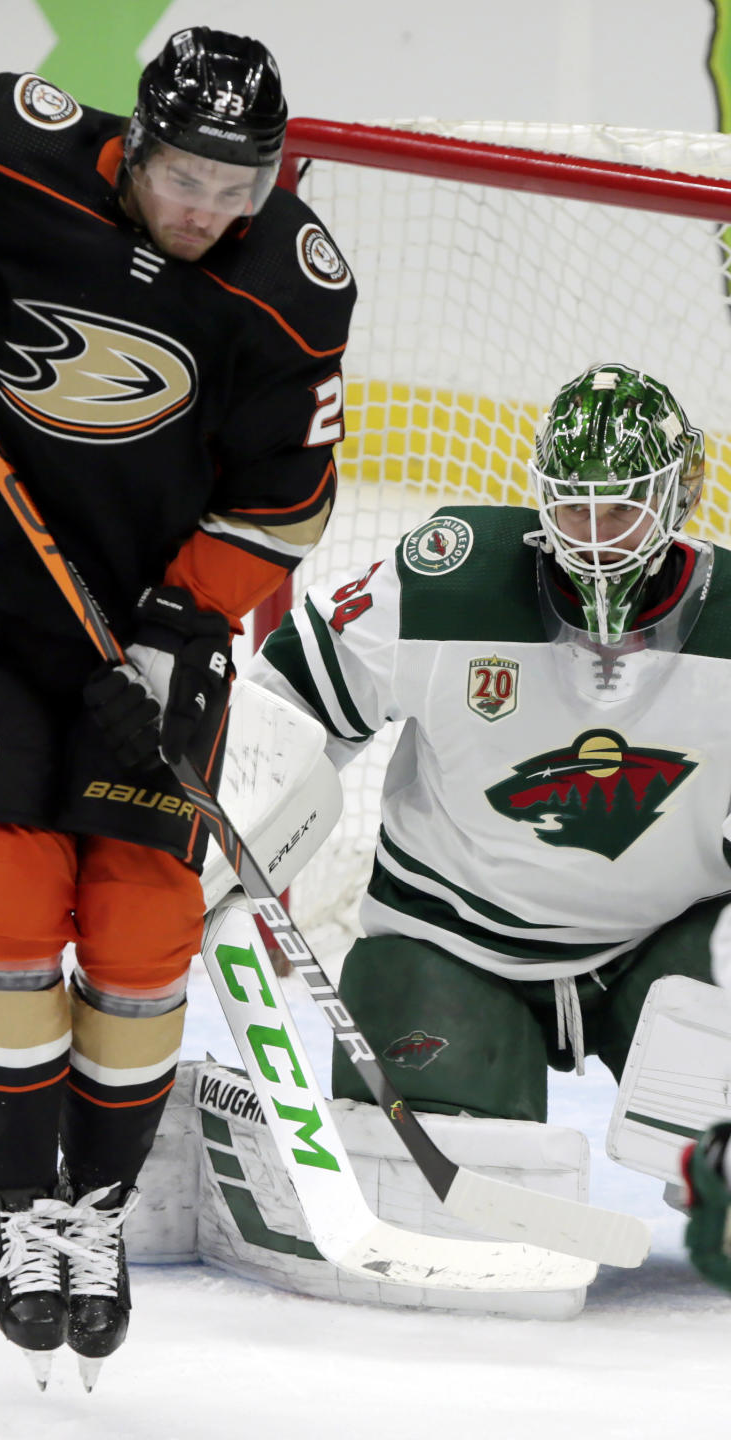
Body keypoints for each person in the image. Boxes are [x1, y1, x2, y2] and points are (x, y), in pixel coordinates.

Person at [0, 27, 355, 1381]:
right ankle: (21, 1204)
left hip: (157, 629)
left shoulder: (296, 285)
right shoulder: (18, 141)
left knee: (144, 920)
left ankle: (92, 1211)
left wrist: (175, 628)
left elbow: (289, 500)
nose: (210, 212)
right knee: (7, 896)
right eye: (186, 178)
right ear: (133, 144)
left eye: (240, 185)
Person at [247, 360, 731, 1226]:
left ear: (678, 498)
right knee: (439, 1206)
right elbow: (285, 706)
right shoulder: (448, 580)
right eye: (573, 505)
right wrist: (202, 818)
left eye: (619, 507)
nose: (592, 536)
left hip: (661, 946)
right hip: (453, 940)